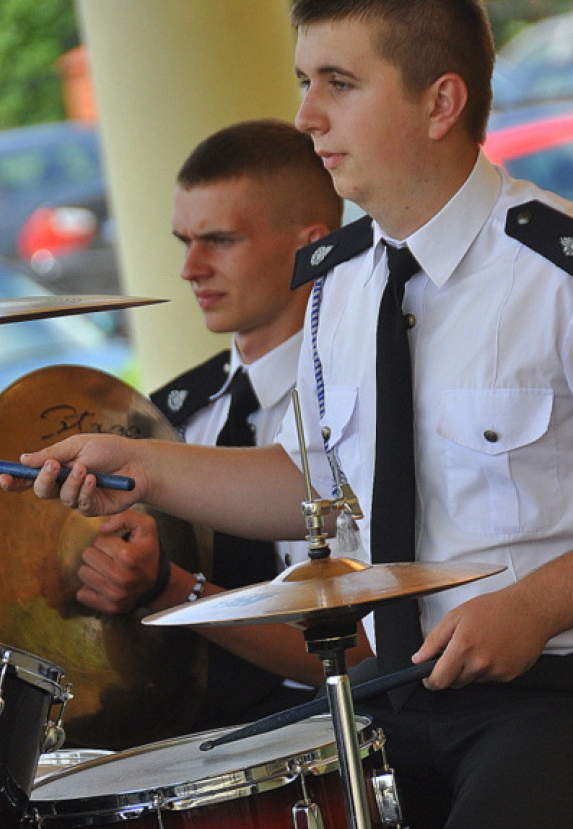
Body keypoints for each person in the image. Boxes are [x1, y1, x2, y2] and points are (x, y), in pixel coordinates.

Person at [1, 2, 573, 829]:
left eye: (336, 83)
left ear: (440, 102)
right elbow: (314, 481)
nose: (305, 117)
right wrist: (141, 467)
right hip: (407, 695)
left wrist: (537, 607)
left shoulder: (571, 275)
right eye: (304, 82)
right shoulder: (341, 286)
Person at [75, 118, 367, 729]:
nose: (190, 268)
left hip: (334, 735)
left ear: (310, 246)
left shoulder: (353, 407)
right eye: (185, 240)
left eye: (220, 240)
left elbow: (366, 654)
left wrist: (172, 589)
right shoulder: (173, 414)